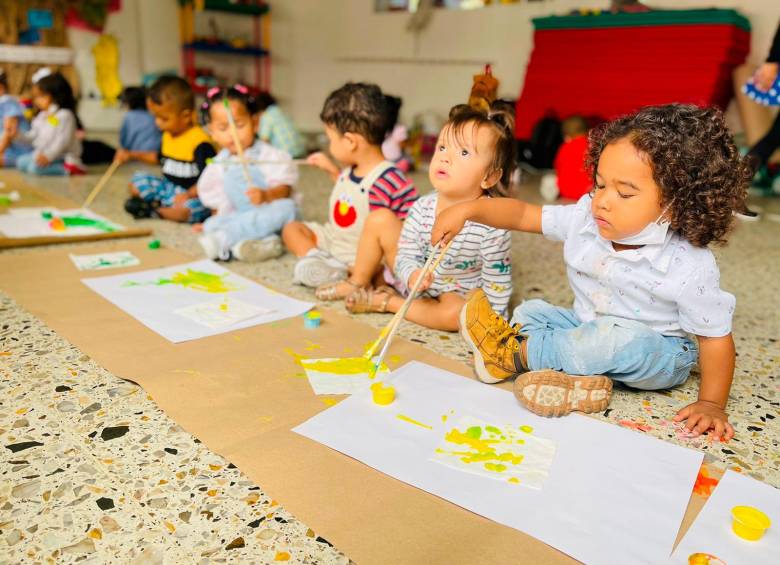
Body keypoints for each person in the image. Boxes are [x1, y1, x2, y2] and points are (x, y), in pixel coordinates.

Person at [433, 104, 751, 441]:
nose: (603, 201)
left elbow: (715, 338)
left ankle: (513, 354)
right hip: (587, 326)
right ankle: (578, 384)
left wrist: (712, 403)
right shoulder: (587, 217)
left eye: (625, 193)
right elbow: (524, 215)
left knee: (613, 339)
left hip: (657, 351)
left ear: (676, 202)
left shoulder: (688, 264)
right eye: (599, 185)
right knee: (532, 310)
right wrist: (470, 209)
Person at [317, 103, 513, 332]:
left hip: (455, 293)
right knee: (380, 218)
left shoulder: (494, 223)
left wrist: (492, 324)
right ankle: (359, 280)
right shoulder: (422, 207)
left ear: (489, 177)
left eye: (464, 152)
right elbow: (406, 253)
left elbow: (497, 281)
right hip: (416, 282)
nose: (445, 157)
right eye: (442, 147)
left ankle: (388, 302)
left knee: (457, 314)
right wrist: (411, 273)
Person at [281, 82, 417, 287]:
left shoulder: (389, 179)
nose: (329, 145)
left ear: (350, 141)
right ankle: (317, 259)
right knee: (292, 229)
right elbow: (352, 197)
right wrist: (333, 171)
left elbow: (409, 227)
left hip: (366, 257)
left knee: (383, 274)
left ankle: (347, 272)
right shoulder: (351, 169)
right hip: (335, 241)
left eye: (330, 139)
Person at [196, 85, 298, 262]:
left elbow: (285, 190)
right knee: (211, 224)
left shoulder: (269, 154)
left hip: (269, 210)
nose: (232, 133)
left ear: (255, 123)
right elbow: (219, 201)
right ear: (212, 132)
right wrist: (215, 218)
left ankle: (224, 239)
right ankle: (264, 243)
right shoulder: (219, 162)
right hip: (241, 216)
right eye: (223, 128)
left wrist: (266, 195)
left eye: (240, 125)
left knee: (288, 209)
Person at [124, 76, 216, 223]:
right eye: (155, 117)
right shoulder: (167, 135)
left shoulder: (200, 142)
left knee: (189, 210)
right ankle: (163, 206)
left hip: (193, 194)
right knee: (136, 182)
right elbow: (158, 158)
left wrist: (188, 195)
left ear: (185, 116)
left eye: (164, 119)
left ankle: (156, 212)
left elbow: (211, 177)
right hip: (168, 188)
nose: (157, 123)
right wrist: (131, 155)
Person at [16, 72, 85, 175]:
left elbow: (62, 142)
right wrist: (17, 134)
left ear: (55, 96)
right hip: (44, 155)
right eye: (36, 97)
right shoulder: (42, 116)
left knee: (34, 169)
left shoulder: (65, 115)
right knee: (21, 162)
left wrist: (48, 156)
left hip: (62, 157)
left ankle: (68, 169)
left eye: (41, 96)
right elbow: (32, 136)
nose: (36, 101)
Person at [113, 86, 161, 164]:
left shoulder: (129, 116)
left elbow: (124, 141)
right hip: (154, 156)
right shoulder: (153, 115)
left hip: (135, 158)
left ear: (129, 103)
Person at [256, 92, 305, 158]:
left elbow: (264, 141)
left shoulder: (267, 116)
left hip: (287, 156)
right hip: (301, 153)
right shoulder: (281, 112)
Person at [0, 70, 33, 168]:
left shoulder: (7, 101)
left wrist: (0, 151)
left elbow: (9, 132)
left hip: (19, 151)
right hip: (8, 149)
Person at [382, 95, 412, 172]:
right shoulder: (399, 128)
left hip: (382, 162)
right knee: (406, 161)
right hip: (397, 162)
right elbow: (402, 146)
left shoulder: (378, 128)